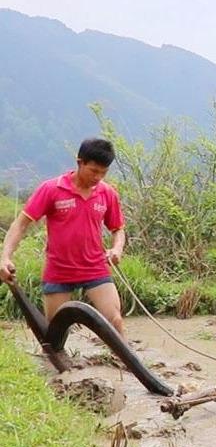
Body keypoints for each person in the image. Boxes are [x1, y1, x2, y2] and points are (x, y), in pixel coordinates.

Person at [0, 138, 127, 336]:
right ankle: (63, 366)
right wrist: (5, 257)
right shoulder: (51, 189)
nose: (98, 177)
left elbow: (118, 229)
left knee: (114, 321)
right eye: (93, 171)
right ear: (80, 162)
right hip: (59, 271)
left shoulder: (107, 193)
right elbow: (21, 224)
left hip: (95, 267)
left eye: (103, 172)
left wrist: (117, 249)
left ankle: (123, 364)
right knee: (55, 334)